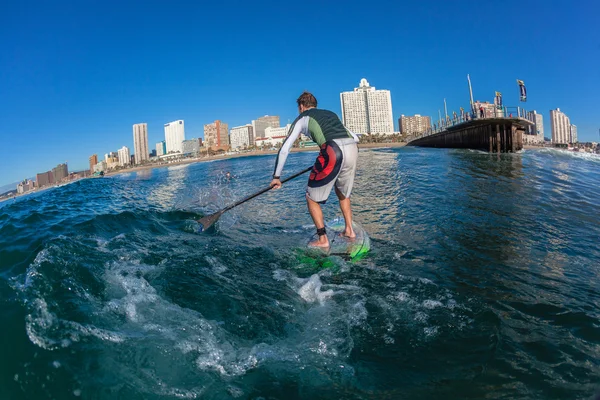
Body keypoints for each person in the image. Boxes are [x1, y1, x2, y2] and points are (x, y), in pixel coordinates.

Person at [270, 91, 359, 248]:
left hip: (332, 151)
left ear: (302, 106)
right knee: (343, 194)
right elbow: (356, 137)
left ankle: (322, 239)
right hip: (352, 148)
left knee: (311, 198)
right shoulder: (330, 114)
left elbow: (285, 149)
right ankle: (349, 231)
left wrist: (276, 176)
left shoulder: (302, 118)